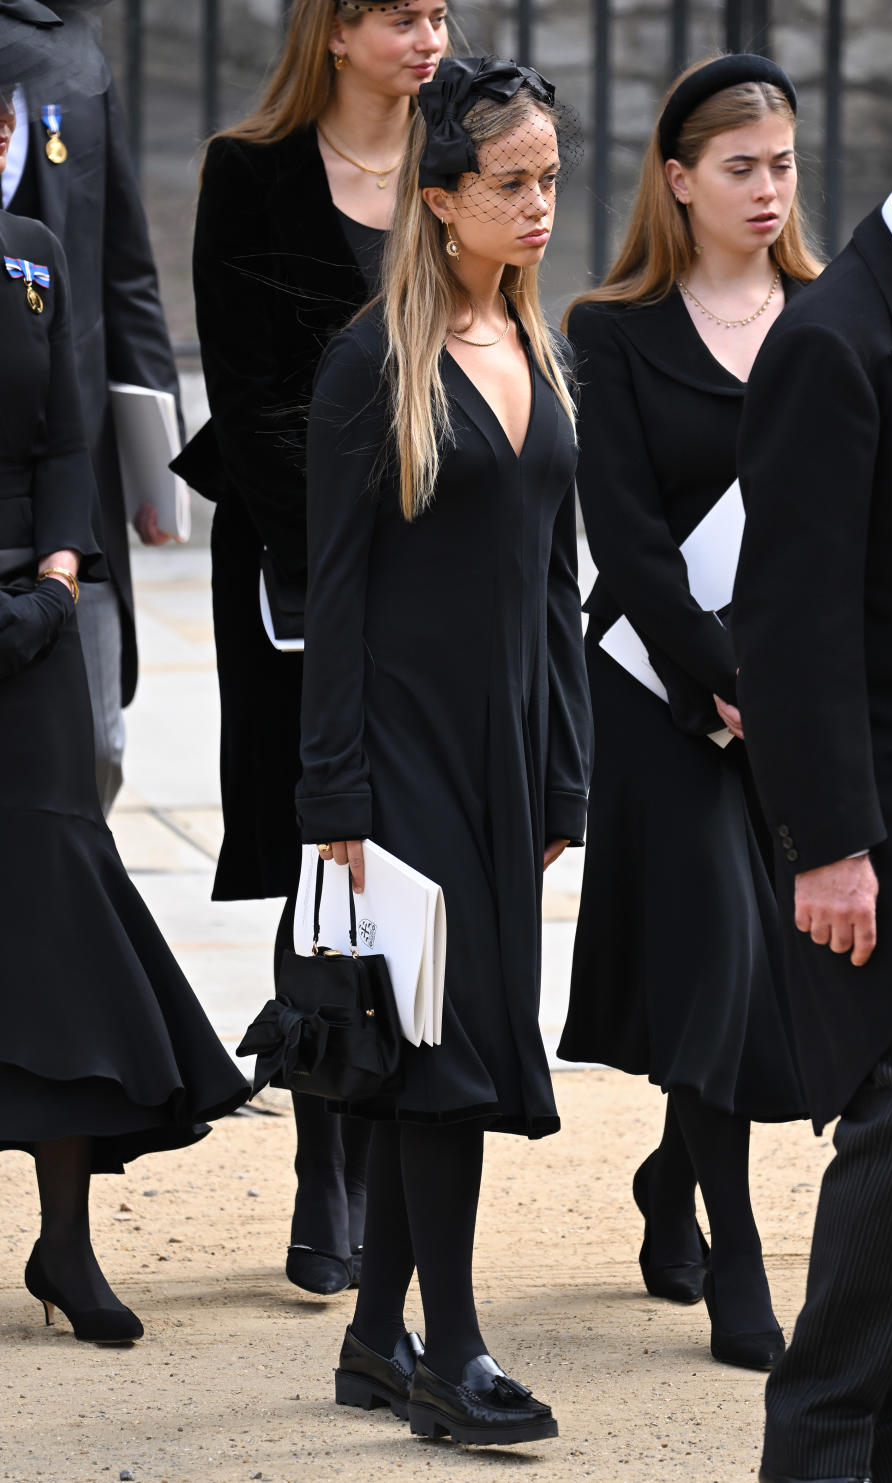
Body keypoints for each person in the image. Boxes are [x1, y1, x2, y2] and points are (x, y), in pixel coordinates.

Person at [296, 55, 591, 1444]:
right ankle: (451, 1352)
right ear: (439, 199)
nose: (540, 205)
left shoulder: (538, 347)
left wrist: (567, 767)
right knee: (444, 1055)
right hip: (403, 760)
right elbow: (335, 598)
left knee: (450, 1048)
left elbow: (553, 582)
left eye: (549, 178)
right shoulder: (373, 363)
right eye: (511, 183)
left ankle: (373, 1338)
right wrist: (336, 792)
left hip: (508, 756)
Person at [174, 0, 449, 1299]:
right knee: (318, 843)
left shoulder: (462, 154)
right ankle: (323, 1151)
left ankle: (394, 1136)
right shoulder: (250, 173)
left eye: (444, 12)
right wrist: (346, 560)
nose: (429, 36)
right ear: (334, 31)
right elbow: (248, 388)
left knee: (411, 843)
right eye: (403, 14)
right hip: (295, 564)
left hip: (438, 561)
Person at [557, 54, 818, 1372]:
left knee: (769, 974)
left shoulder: (838, 315)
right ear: (678, 180)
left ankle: (671, 1178)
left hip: (808, 703)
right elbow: (626, 532)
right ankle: (740, 1256)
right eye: (741, 168)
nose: (769, 189)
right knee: (719, 949)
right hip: (661, 697)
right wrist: (720, 678)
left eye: (781, 164)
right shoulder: (612, 328)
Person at [0, 9, 249, 1346]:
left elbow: (108, 317)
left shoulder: (69, 60)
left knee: (59, 871)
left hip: (45, 566)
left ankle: (64, 1235)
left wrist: (72, 548)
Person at [733, 25, 892, 1483]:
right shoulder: (837, 335)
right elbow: (791, 622)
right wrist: (831, 844)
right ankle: (826, 1446)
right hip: (889, 843)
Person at [0, 0, 183, 816]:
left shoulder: (75, 51)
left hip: (72, 463)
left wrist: (156, 460)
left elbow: (125, 268)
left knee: (98, 742)